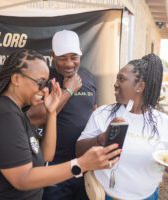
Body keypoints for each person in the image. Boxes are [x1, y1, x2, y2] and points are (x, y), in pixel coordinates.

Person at [0, 49, 121, 200]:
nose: (44, 89)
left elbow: (46, 156)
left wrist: (52, 112)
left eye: (46, 83)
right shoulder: (4, 114)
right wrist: (81, 164)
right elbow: (22, 178)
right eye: (40, 83)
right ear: (16, 79)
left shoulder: (16, 112)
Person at [76, 54, 168, 200]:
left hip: (147, 196)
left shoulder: (164, 123)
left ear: (140, 86)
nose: (116, 83)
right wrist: (103, 138)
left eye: (121, 79)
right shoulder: (102, 114)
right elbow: (79, 151)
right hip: (105, 195)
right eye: (117, 78)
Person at [28, 30, 97, 200]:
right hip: (54, 167)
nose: (69, 64)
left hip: (84, 165)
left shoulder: (88, 78)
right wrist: (69, 90)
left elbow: (94, 112)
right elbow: (36, 119)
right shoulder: (44, 79)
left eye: (74, 57)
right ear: (53, 56)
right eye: (62, 58)